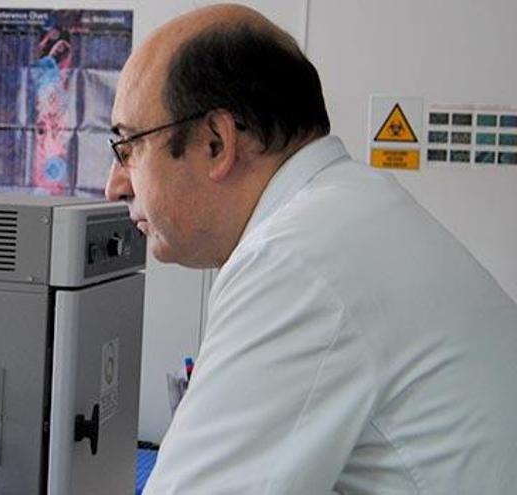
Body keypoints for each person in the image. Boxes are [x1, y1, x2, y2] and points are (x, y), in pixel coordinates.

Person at [105, 4, 517, 494]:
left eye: (128, 147)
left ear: (216, 143)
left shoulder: (292, 260)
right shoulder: (351, 209)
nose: (115, 185)